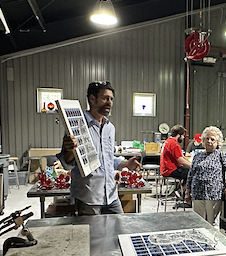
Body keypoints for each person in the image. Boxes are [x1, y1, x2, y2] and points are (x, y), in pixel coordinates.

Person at [57, 81, 142, 215]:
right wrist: (68, 150)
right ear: (92, 99)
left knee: (119, 230)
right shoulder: (77, 125)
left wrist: (126, 163)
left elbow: (107, 158)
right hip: (89, 197)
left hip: (111, 195)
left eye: (111, 99)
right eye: (105, 98)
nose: (109, 102)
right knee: (94, 235)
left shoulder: (110, 127)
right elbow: (68, 164)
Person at [185, 126, 226, 224]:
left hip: (214, 194)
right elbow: (191, 174)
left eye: (212, 139)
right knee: (198, 222)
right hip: (197, 193)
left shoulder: (221, 155)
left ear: (218, 142)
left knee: (212, 223)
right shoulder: (197, 155)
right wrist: (187, 190)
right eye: (207, 139)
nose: (209, 141)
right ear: (203, 140)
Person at [160, 124, 192, 197]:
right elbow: (180, 160)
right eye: (183, 135)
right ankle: (181, 192)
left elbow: (181, 156)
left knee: (187, 171)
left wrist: (190, 163)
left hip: (166, 169)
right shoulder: (174, 144)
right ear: (178, 135)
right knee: (192, 172)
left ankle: (179, 189)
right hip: (170, 170)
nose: (183, 137)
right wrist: (192, 165)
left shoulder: (168, 141)